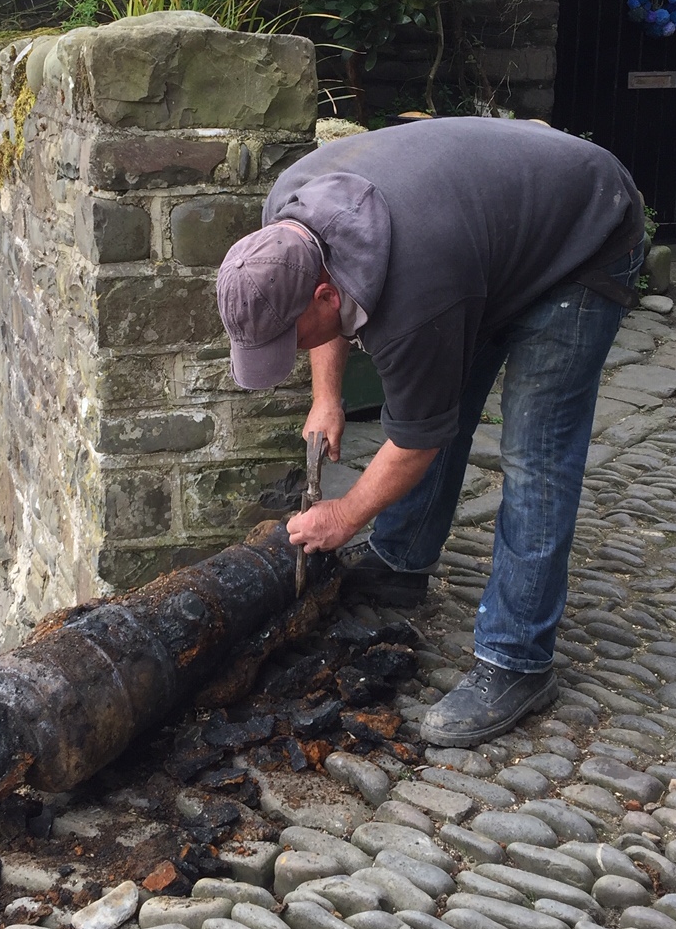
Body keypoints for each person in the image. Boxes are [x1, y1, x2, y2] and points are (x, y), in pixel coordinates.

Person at [215, 117, 645, 747]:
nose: (284, 354)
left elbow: (418, 439)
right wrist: (326, 396)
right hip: (482, 242)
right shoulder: (286, 212)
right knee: (433, 397)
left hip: (580, 238)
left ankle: (518, 660)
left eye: (288, 337)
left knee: (534, 455)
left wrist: (345, 516)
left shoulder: (419, 294)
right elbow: (331, 320)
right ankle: (401, 561)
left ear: (326, 295)